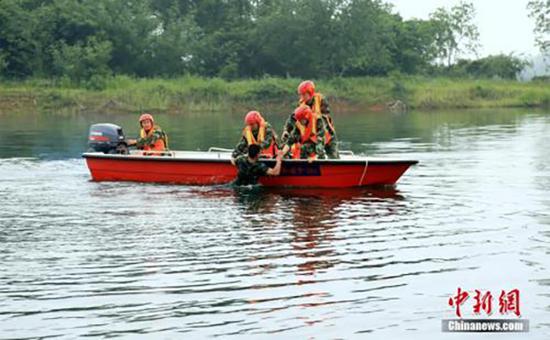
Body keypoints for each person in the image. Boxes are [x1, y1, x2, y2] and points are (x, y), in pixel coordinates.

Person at [281, 80, 339, 158]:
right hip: (313, 136)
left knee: (333, 157)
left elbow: (324, 118)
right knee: (305, 149)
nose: (302, 97)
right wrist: (286, 130)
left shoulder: (321, 100)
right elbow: (293, 117)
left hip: (327, 133)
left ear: (310, 93)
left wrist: (311, 117)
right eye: (301, 95)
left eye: (304, 94)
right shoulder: (301, 104)